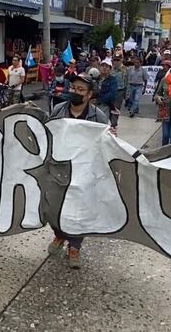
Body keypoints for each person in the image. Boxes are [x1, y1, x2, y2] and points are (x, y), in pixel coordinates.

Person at [48, 73, 109, 269]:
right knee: (55, 207)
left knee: (78, 210)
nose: (75, 92)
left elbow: (106, 144)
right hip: (59, 169)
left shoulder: (98, 116)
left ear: (90, 95)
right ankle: (59, 234)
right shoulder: (58, 109)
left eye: (81, 90)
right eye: (73, 88)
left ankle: (75, 245)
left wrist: (110, 136)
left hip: (83, 171)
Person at [109, 56, 127, 127]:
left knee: (116, 108)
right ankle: (111, 121)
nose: (116, 62)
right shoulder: (111, 69)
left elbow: (127, 82)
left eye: (117, 60)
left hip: (120, 91)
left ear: (121, 61)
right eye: (114, 60)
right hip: (111, 91)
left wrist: (127, 94)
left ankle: (113, 123)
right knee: (110, 107)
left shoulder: (124, 70)